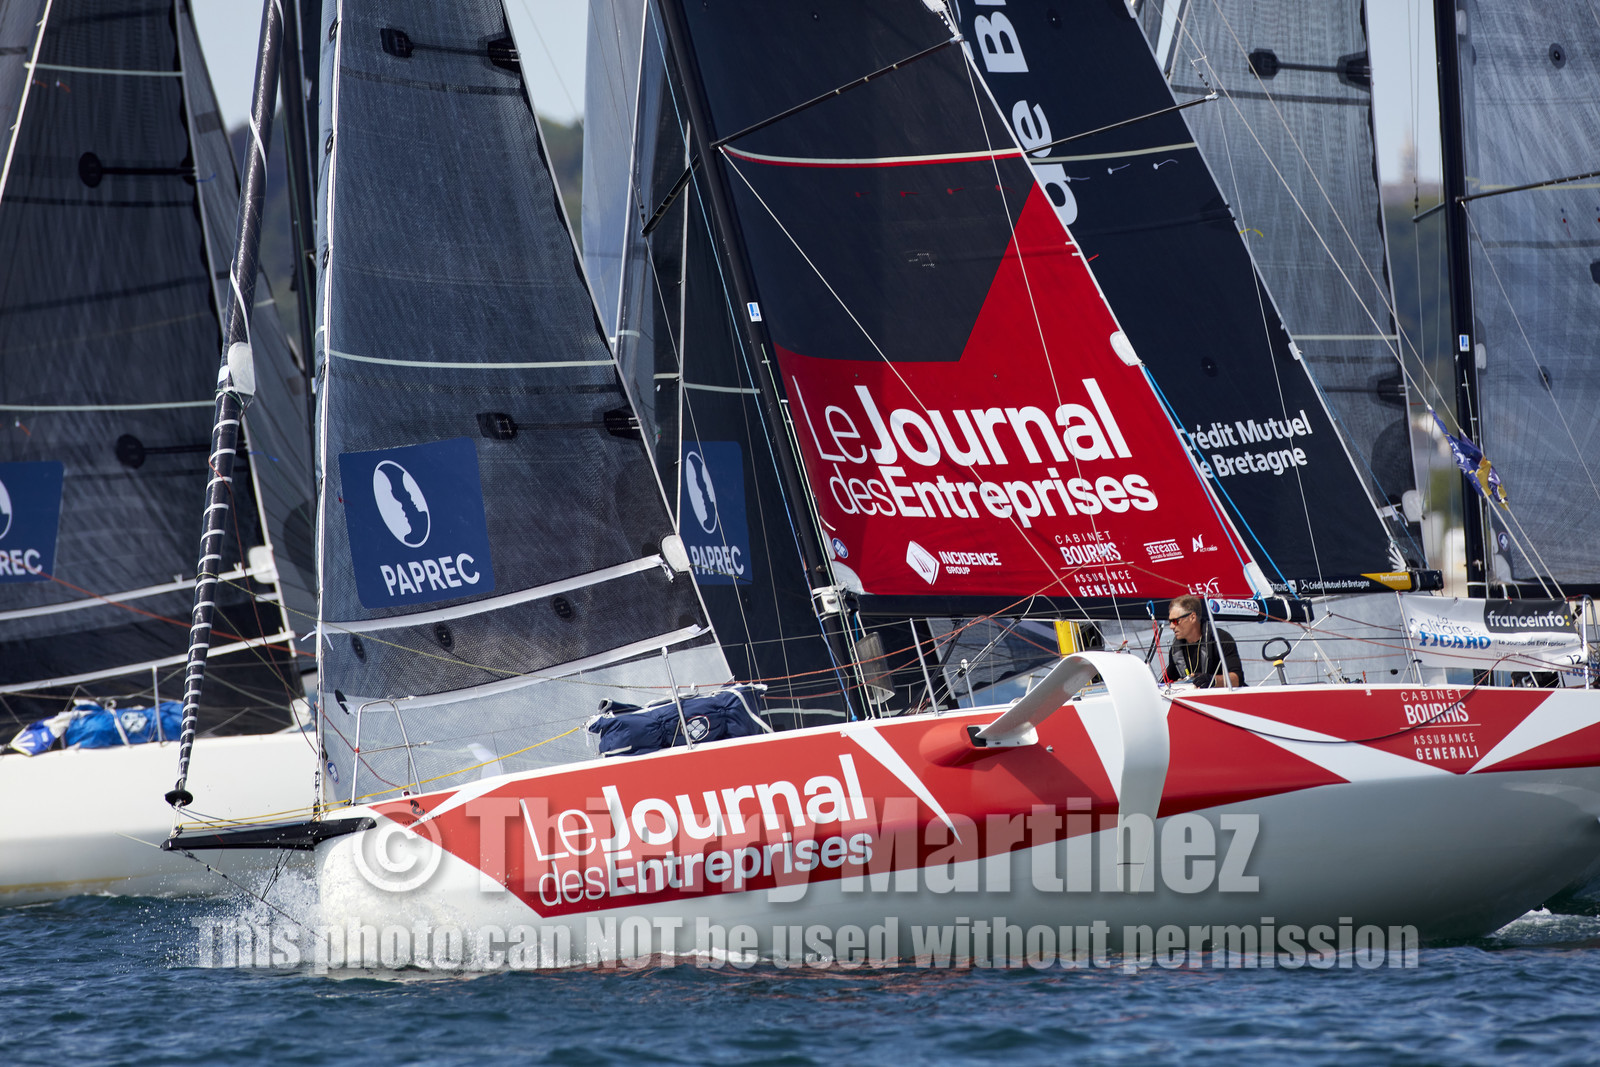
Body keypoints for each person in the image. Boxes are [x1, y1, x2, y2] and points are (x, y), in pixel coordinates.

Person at [1163, 594, 1244, 688]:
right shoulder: (1176, 649)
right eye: (1170, 622)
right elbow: (1166, 681)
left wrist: (1212, 680)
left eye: (1175, 621)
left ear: (1192, 617)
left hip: (1219, 695)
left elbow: (1237, 679)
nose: (1171, 626)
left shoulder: (1221, 639)